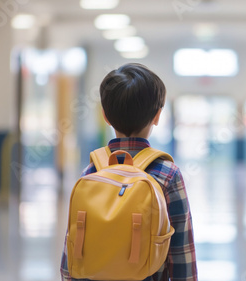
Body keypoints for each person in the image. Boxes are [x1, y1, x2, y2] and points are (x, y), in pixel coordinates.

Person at [60, 63, 198, 281]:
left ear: (105, 116)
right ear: (157, 116)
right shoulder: (168, 174)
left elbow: (73, 247)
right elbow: (181, 252)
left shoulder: (91, 171)